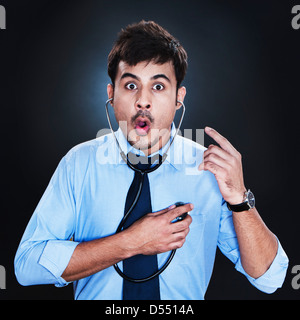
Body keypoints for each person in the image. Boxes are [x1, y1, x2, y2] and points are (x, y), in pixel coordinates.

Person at [15, 20, 288, 300]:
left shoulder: (208, 170)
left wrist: (239, 200)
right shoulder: (79, 164)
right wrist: (131, 242)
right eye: (131, 84)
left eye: (158, 86)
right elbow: (26, 266)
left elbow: (270, 278)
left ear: (178, 98)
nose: (143, 101)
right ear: (111, 94)